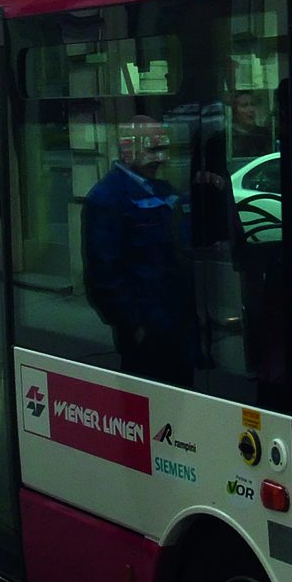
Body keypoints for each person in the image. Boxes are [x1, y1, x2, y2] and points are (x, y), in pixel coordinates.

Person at [82, 115, 200, 385]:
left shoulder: (163, 189)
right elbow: (103, 274)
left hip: (178, 327)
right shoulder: (107, 197)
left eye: (164, 148)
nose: (160, 158)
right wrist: (133, 326)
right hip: (148, 333)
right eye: (152, 149)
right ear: (127, 149)